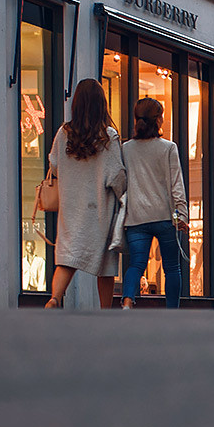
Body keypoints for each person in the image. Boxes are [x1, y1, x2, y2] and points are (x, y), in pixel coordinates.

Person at [46, 76, 129, 309]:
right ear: (102, 104)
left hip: (71, 206)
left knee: (67, 257)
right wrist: (124, 195)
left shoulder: (64, 133)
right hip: (98, 209)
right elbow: (116, 176)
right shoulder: (108, 136)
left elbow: (54, 164)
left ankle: (54, 299)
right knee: (105, 264)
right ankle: (105, 310)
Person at [118, 95, 190, 308]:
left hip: (136, 217)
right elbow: (177, 184)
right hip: (164, 217)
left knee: (136, 264)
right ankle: (171, 311)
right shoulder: (168, 147)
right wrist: (182, 215)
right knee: (172, 268)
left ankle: (128, 300)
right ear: (159, 119)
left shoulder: (126, 148)